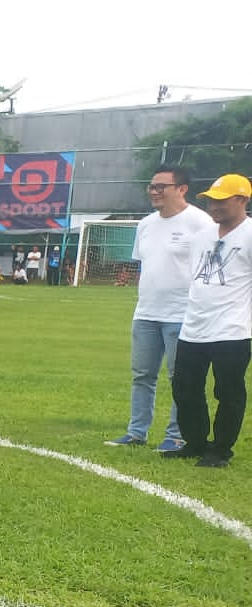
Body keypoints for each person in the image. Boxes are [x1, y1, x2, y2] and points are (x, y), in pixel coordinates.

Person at [107, 166, 214, 452]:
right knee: (142, 375)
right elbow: (146, 265)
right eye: (151, 186)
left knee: (180, 379)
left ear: (182, 189)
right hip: (146, 314)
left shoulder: (200, 223)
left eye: (161, 187)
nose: (154, 192)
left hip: (183, 314)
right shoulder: (145, 224)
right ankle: (136, 432)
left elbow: (210, 268)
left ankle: (176, 436)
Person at [166, 173, 252, 467]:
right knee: (184, 388)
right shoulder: (201, 237)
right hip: (194, 328)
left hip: (232, 329)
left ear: (242, 200)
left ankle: (221, 449)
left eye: (221, 201)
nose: (213, 207)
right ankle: (195, 441)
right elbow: (196, 279)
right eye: (210, 201)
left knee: (228, 391)